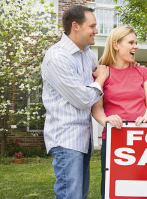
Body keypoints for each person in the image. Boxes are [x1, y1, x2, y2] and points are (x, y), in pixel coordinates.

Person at [41, 5, 109, 199]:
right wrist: (101, 79)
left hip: (83, 138)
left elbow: (105, 72)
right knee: (70, 196)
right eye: (92, 26)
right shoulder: (57, 57)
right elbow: (83, 99)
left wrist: (131, 65)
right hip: (66, 139)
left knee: (79, 195)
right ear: (76, 26)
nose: (97, 30)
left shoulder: (87, 54)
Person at [91, 26, 147, 199]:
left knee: (142, 187)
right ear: (116, 45)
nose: (135, 46)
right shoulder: (103, 73)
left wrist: (146, 118)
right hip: (115, 138)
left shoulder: (142, 71)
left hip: (142, 137)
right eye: (131, 42)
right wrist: (106, 120)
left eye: (136, 42)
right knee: (113, 188)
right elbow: (96, 107)